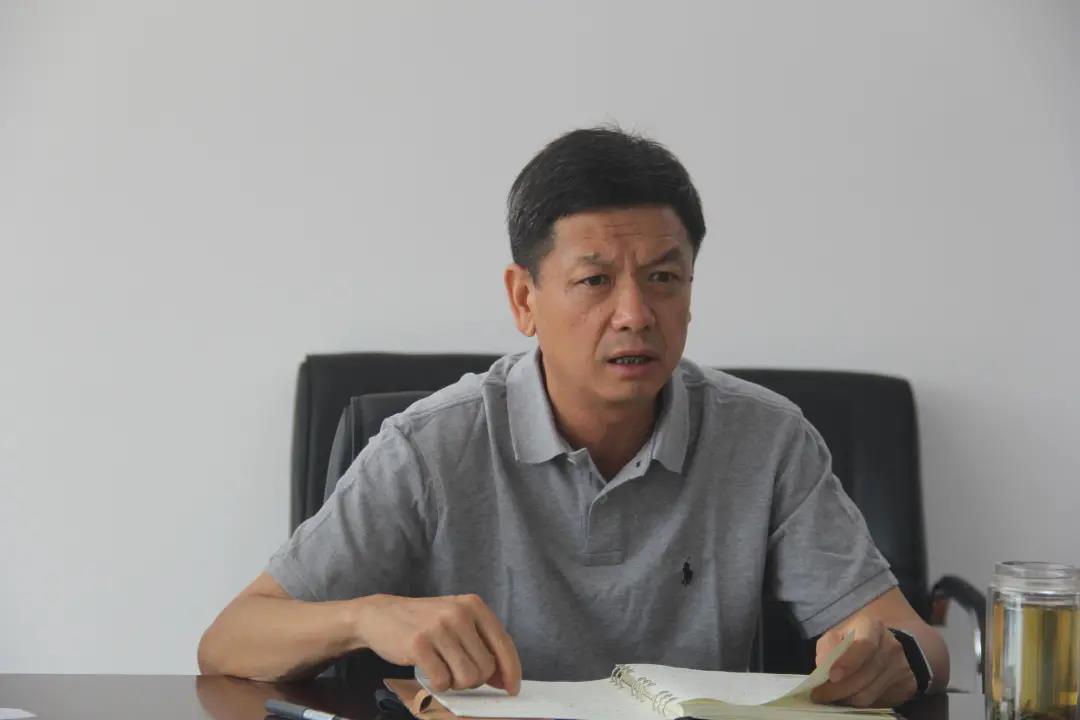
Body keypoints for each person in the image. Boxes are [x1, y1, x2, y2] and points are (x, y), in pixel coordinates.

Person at [198, 127, 949, 707]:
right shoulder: (431, 446)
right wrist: (368, 616)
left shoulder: (768, 439)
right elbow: (229, 640)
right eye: (594, 281)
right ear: (524, 299)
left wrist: (896, 656)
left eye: (664, 278)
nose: (635, 314)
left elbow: (916, 638)